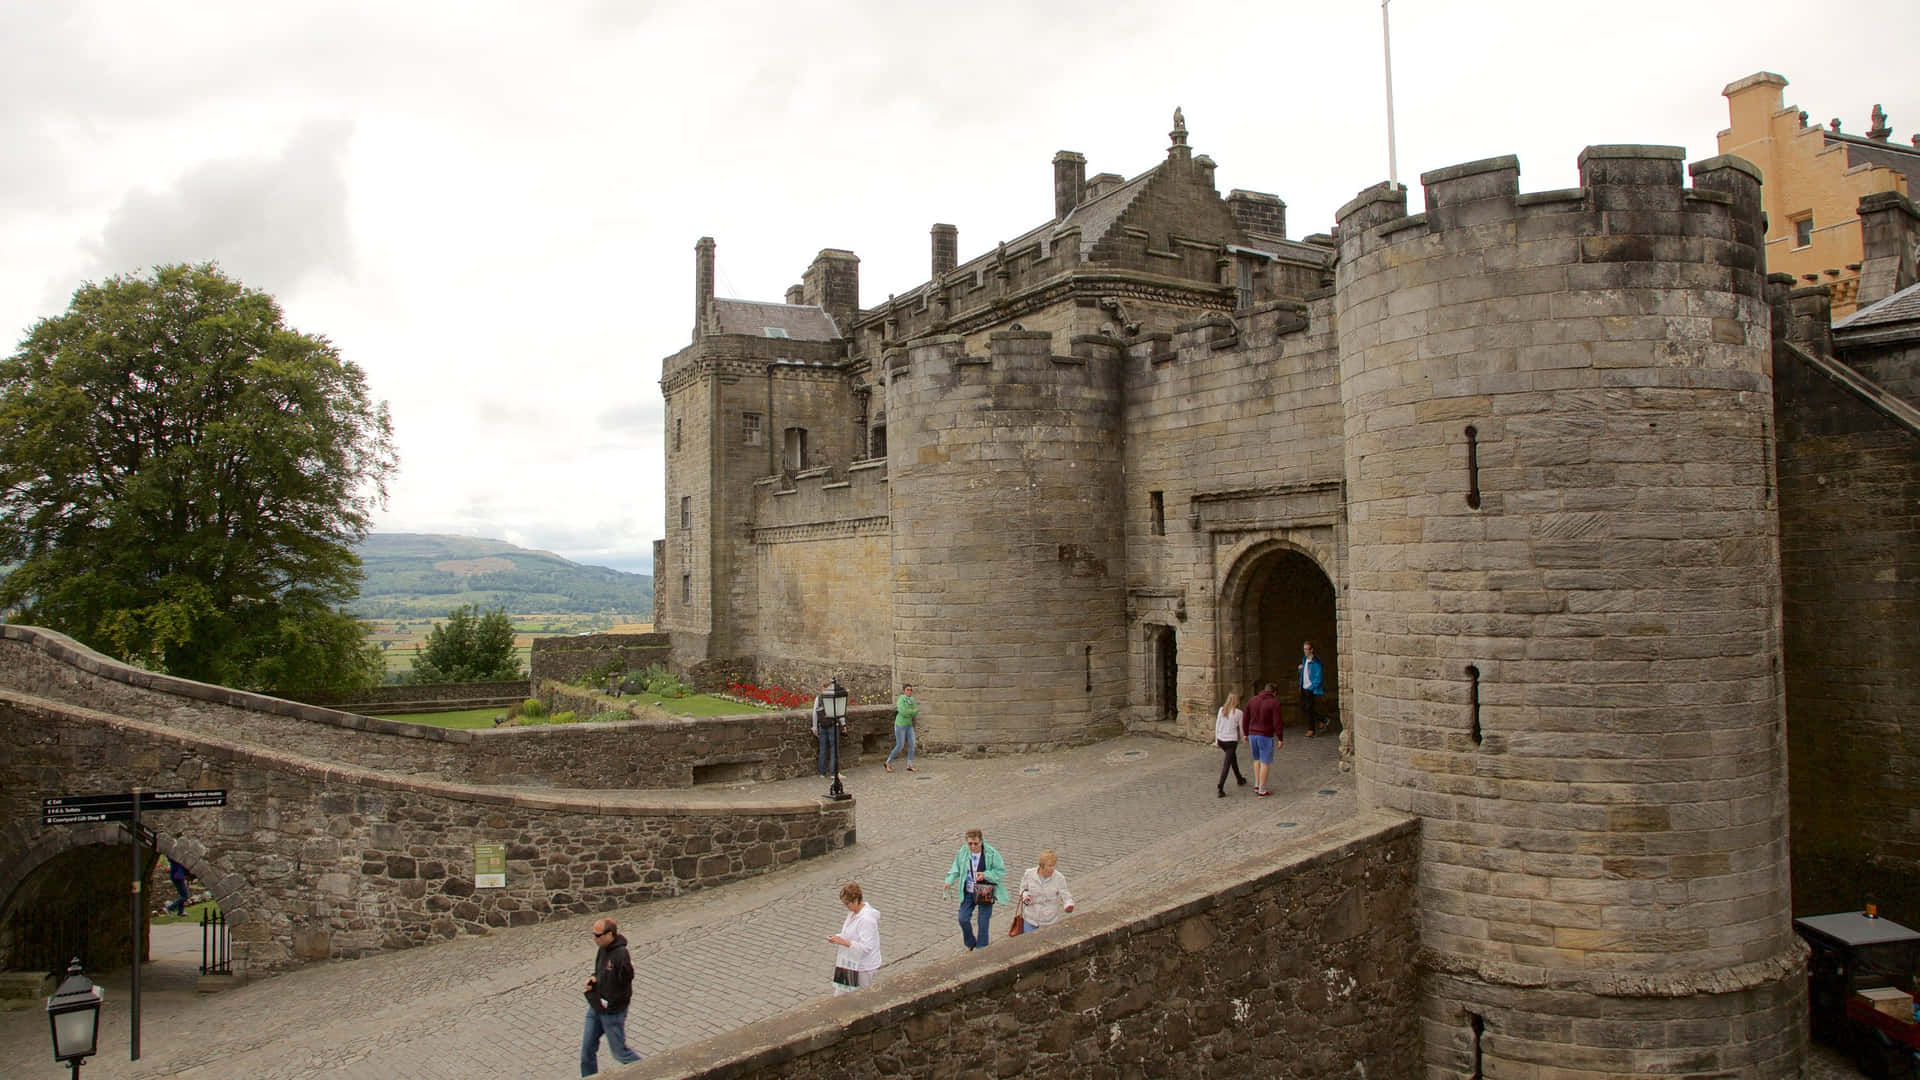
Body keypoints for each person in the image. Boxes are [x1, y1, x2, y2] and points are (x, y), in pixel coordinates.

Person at [580, 917, 643, 1076]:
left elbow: (626, 981)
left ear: (610, 934)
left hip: (612, 1012)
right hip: (596, 1007)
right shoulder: (602, 949)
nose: (595, 939)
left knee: (620, 1053)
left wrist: (611, 1002)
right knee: (587, 1051)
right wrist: (594, 979)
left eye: (598, 935)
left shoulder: (621, 954)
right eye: (593, 935)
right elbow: (600, 972)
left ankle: (647, 1070)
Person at [942, 828, 1007, 950]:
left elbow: (1000, 871)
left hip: (984, 889)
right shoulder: (963, 852)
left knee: (983, 922)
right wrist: (949, 881)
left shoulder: (991, 853)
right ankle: (970, 942)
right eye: (970, 843)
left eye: (975, 843)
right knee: (963, 918)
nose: (972, 846)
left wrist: (986, 875)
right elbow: (955, 867)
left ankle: (982, 947)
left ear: (981, 841)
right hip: (968, 890)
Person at [827, 881, 882, 994]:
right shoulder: (853, 913)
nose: (846, 907)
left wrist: (843, 942)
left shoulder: (866, 919)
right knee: (841, 994)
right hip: (849, 961)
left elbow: (866, 948)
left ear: (856, 900)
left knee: (860, 996)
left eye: (847, 904)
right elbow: (850, 934)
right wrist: (837, 937)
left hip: (863, 966)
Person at [1017, 850, 1076, 933]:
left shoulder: (1059, 878)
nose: (1052, 868)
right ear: (1042, 865)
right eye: (1050, 866)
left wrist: (1068, 905)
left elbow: (1065, 895)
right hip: (1030, 918)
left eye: (1054, 865)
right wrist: (1026, 897)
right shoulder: (1029, 874)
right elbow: (1023, 889)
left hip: (1049, 920)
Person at [1243, 682, 1282, 796]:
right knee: (1265, 762)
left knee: (1256, 760)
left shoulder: (1252, 700)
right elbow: (1277, 722)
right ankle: (1262, 789)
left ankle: (1257, 784)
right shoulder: (1274, 703)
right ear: (1274, 692)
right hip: (1265, 735)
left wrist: (1245, 733)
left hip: (1252, 734)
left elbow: (1246, 718)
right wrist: (1280, 737)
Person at [1215, 689, 1247, 797]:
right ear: (1236, 701)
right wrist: (1243, 739)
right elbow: (1241, 729)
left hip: (1221, 739)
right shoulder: (1239, 713)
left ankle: (1239, 778)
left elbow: (1217, 725)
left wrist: (1216, 740)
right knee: (1227, 764)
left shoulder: (1221, 710)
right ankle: (1221, 786)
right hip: (1231, 741)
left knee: (1232, 758)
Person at [811, 680, 844, 778]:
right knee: (834, 750)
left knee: (823, 749)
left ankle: (822, 772)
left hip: (822, 725)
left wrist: (814, 727)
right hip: (833, 725)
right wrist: (844, 724)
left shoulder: (818, 698)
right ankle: (834, 773)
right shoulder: (835, 697)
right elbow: (840, 712)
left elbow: (815, 713)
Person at [885, 683, 918, 773]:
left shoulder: (912, 699)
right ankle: (888, 763)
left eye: (911, 690)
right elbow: (902, 711)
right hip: (900, 725)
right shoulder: (901, 699)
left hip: (909, 725)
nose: (909, 691)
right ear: (904, 691)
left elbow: (916, 710)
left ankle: (910, 765)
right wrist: (910, 711)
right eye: (907, 689)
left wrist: (910, 711)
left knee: (912, 744)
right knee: (900, 745)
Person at [1300, 641, 1326, 737]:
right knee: (1305, 708)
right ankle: (1323, 720)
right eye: (1304, 649)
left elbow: (1318, 677)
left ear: (1311, 650)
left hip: (1311, 688)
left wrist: (1311, 687)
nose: (1305, 651)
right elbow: (1306, 672)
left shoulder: (1316, 662)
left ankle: (1311, 730)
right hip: (1304, 686)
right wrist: (1301, 669)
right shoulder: (1304, 659)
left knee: (1309, 708)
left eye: (1307, 649)